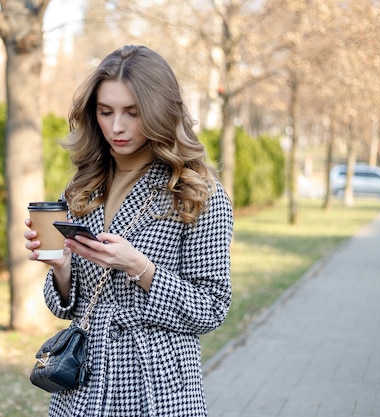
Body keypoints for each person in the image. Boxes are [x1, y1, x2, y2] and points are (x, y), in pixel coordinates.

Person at [24, 45, 233, 417]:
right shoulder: (82, 188)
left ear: (159, 112)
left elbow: (212, 309)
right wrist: (60, 268)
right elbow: (67, 307)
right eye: (106, 112)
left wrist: (140, 268)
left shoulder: (196, 192)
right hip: (84, 385)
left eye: (132, 113)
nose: (116, 127)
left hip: (158, 386)